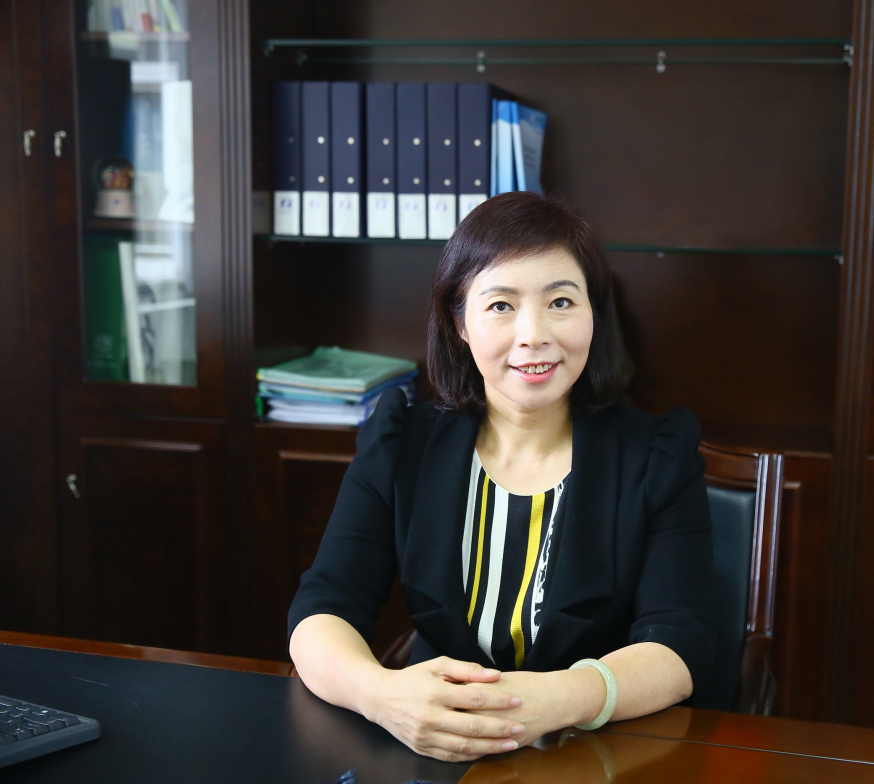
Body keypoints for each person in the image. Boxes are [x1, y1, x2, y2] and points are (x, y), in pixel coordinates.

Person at [288, 191, 716, 763]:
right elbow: (324, 609)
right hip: (433, 749)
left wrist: (559, 698)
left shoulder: (657, 455)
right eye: (500, 305)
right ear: (459, 322)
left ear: (594, 313)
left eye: (560, 301)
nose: (533, 334)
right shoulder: (402, 443)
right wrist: (382, 696)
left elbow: (680, 644)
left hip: (596, 756)